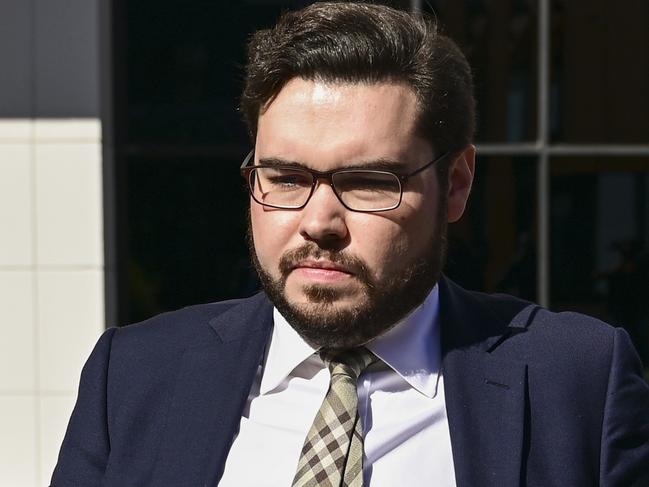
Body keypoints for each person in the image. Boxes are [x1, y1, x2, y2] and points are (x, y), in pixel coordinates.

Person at [51, 3, 649, 486]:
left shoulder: (579, 381)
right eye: (285, 178)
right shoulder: (134, 374)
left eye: (368, 182)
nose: (319, 222)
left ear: (457, 184)